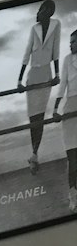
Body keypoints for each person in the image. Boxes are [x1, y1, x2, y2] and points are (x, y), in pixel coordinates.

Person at [17, 0, 61, 175]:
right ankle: (34, 155)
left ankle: (34, 154)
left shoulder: (55, 25)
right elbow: (27, 52)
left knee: (40, 118)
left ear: (49, 12)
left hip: (46, 74)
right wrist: (19, 81)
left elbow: (56, 50)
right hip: (32, 76)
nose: (40, 12)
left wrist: (57, 75)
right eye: (41, 9)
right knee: (32, 118)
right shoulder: (33, 28)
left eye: (44, 10)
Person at [52, 27, 77, 214]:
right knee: (73, 158)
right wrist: (55, 109)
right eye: (69, 42)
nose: (70, 45)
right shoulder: (68, 60)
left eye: (73, 41)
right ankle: (73, 197)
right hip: (70, 108)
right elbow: (62, 87)